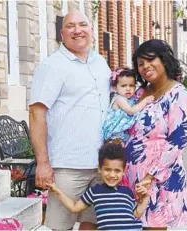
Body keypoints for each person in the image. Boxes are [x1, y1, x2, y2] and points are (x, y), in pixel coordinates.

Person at [29, 10, 111, 230]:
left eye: (83, 24)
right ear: (62, 33)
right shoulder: (52, 66)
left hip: (101, 164)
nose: (77, 30)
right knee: (60, 226)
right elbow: (37, 113)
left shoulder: (101, 63)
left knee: (92, 223)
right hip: (67, 165)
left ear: (91, 30)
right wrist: (43, 163)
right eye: (71, 26)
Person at [123, 39, 187, 229]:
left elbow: (179, 140)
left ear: (164, 60)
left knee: (154, 226)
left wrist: (151, 176)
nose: (145, 66)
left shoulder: (179, 95)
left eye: (150, 59)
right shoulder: (139, 94)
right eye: (140, 63)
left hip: (159, 178)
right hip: (131, 178)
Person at [46, 141, 150, 230]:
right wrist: (57, 190)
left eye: (117, 171)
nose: (112, 175)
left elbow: (136, 214)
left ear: (124, 171)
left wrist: (145, 199)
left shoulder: (127, 192)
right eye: (107, 169)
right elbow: (74, 207)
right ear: (100, 169)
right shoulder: (95, 191)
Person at [103, 68, 154, 143]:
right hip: (115, 135)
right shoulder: (119, 99)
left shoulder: (131, 99)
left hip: (124, 134)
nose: (128, 89)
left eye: (131, 85)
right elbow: (131, 111)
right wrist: (145, 101)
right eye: (123, 86)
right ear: (115, 88)